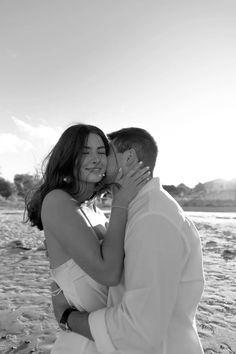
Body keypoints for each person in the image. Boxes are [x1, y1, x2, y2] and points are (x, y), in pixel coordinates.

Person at [52, 127, 205, 354]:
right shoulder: (140, 211)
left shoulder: (153, 218)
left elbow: (138, 331)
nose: (100, 162)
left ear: (129, 157)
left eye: (105, 152)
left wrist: (67, 317)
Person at [25, 124, 151, 354]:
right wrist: (120, 201)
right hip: (84, 344)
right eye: (85, 151)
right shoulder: (57, 201)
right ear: (68, 157)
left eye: (101, 151)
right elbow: (108, 273)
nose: (96, 159)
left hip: (110, 335)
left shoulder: (95, 210)